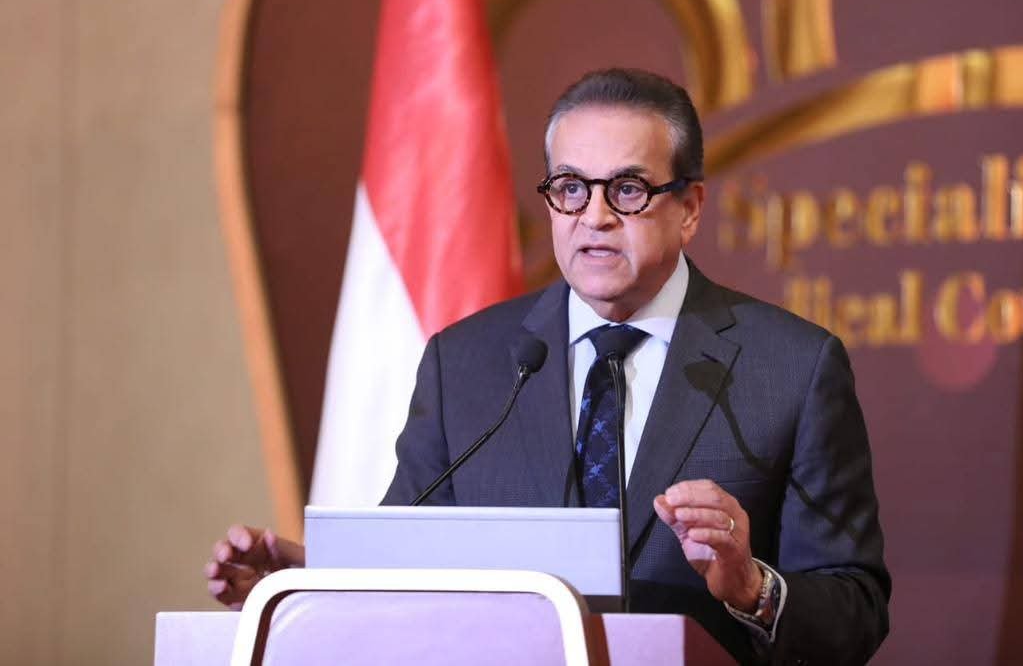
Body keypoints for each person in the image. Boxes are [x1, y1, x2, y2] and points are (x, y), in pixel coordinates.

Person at [207, 68, 890, 664]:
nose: (594, 216)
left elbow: (855, 613)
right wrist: (299, 586)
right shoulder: (465, 364)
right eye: (570, 188)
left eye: (627, 189)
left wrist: (752, 588)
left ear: (689, 208)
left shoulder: (791, 368)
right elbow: (410, 564)